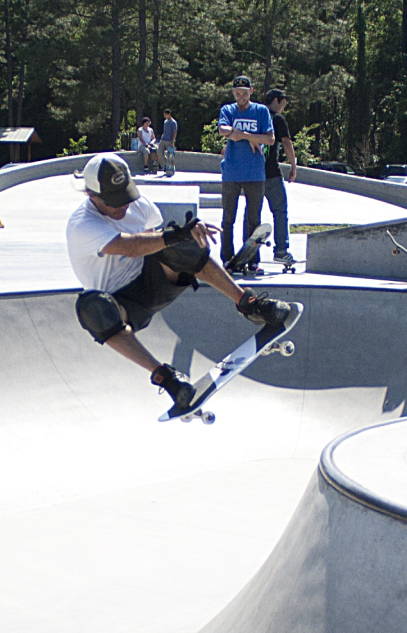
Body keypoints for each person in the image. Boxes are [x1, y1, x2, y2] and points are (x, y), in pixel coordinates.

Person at [67, 153, 292, 407]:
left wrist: (182, 236)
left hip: (154, 281)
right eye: (114, 202)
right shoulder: (82, 224)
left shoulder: (139, 205)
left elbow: (155, 242)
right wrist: (174, 236)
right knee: (92, 307)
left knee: (184, 245)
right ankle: (166, 378)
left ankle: (248, 304)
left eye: (125, 197)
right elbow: (127, 246)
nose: (123, 207)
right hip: (122, 305)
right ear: (91, 196)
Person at [218, 76, 275, 272]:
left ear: (251, 91)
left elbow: (270, 139)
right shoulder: (228, 110)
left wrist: (242, 136)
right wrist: (250, 138)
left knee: (253, 219)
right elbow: (223, 130)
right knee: (228, 217)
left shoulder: (261, 111)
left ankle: (252, 259)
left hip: (255, 173)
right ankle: (227, 257)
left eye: (244, 93)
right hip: (231, 172)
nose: (241, 97)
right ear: (233, 93)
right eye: (237, 93)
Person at [262, 88, 298, 266]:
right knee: (280, 211)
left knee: (251, 214)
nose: (284, 107)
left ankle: (249, 256)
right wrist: (293, 165)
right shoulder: (277, 119)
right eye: (283, 103)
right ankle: (281, 250)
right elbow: (286, 142)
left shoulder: (256, 116)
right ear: (276, 100)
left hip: (252, 174)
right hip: (271, 173)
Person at [158, 109, 178, 176]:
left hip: (169, 140)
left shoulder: (173, 122)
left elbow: (174, 132)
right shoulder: (165, 122)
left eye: (165, 115)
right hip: (163, 139)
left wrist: (172, 141)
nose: (164, 116)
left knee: (170, 155)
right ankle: (165, 165)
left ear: (169, 114)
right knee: (159, 152)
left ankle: (171, 168)